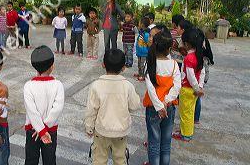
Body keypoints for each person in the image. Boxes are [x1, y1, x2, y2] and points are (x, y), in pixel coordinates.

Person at [85, 49, 140, 165]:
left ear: (103, 64)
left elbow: (91, 110)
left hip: (101, 130)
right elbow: (135, 106)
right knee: (120, 159)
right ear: (123, 67)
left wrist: (89, 127)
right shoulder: (128, 86)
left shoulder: (96, 85)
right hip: (121, 131)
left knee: (99, 159)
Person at [143, 29, 181, 165]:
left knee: (153, 143)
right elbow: (177, 87)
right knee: (165, 143)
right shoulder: (174, 65)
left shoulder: (150, 63)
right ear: (170, 48)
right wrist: (165, 102)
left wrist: (159, 106)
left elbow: (150, 88)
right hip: (169, 107)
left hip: (153, 107)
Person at [24, 45, 65, 165]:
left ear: (34, 67)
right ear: (52, 66)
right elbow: (57, 109)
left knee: (31, 159)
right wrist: (45, 128)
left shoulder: (28, 86)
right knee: (50, 160)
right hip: (50, 130)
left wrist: (40, 130)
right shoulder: (58, 85)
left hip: (33, 130)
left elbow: (31, 111)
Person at [172, 28, 205, 142]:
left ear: (186, 44)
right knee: (190, 112)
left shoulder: (189, 58)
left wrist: (197, 88)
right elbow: (202, 72)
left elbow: (190, 76)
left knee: (185, 113)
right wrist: (199, 87)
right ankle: (186, 131)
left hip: (187, 89)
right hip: (194, 90)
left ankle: (185, 135)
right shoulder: (199, 54)